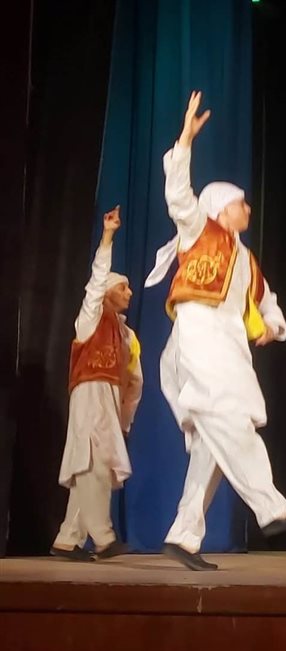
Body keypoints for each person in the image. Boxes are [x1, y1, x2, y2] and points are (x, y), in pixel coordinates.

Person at [146, 91, 286, 571]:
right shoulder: (198, 230)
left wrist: (274, 326)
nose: (248, 208)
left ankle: (183, 535)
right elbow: (178, 195)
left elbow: (265, 300)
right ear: (222, 209)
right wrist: (185, 141)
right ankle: (272, 508)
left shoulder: (245, 257)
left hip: (227, 339)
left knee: (214, 440)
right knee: (230, 415)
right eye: (241, 203)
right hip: (199, 329)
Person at [51, 206, 143, 562]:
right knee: (95, 461)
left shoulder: (125, 333)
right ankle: (103, 537)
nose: (130, 292)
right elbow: (95, 281)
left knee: (92, 463)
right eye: (123, 287)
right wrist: (107, 237)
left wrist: (124, 418)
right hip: (89, 390)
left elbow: (133, 380)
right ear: (106, 293)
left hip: (108, 397)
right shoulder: (90, 318)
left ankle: (67, 538)